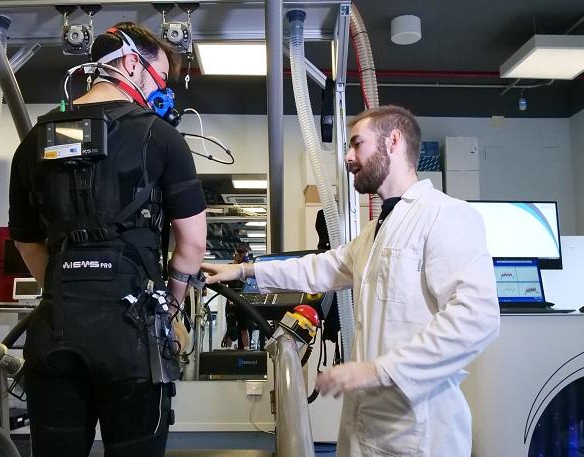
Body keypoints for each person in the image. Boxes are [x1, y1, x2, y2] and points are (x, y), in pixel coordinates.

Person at [202, 105, 499, 457]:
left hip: (419, 426)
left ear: (393, 142)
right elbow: (319, 268)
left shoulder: (446, 215)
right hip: (366, 420)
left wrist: (378, 370)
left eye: (357, 144)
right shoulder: (376, 231)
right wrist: (244, 272)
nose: (347, 156)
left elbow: (477, 318)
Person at [8, 22, 207, 457]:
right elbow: (192, 244)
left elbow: (26, 241)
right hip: (131, 338)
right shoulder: (162, 136)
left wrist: (65, 288)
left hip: (55, 332)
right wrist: (170, 307)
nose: (161, 89)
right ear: (132, 64)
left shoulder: (33, 141)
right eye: (159, 77)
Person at [221, 245, 254, 349]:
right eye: (236, 255)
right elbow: (223, 282)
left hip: (243, 302)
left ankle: (247, 349)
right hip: (231, 300)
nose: (237, 257)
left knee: (244, 328)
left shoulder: (247, 268)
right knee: (231, 328)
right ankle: (228, 350)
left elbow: (251, 284)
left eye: (240, 256)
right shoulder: (230, 267)